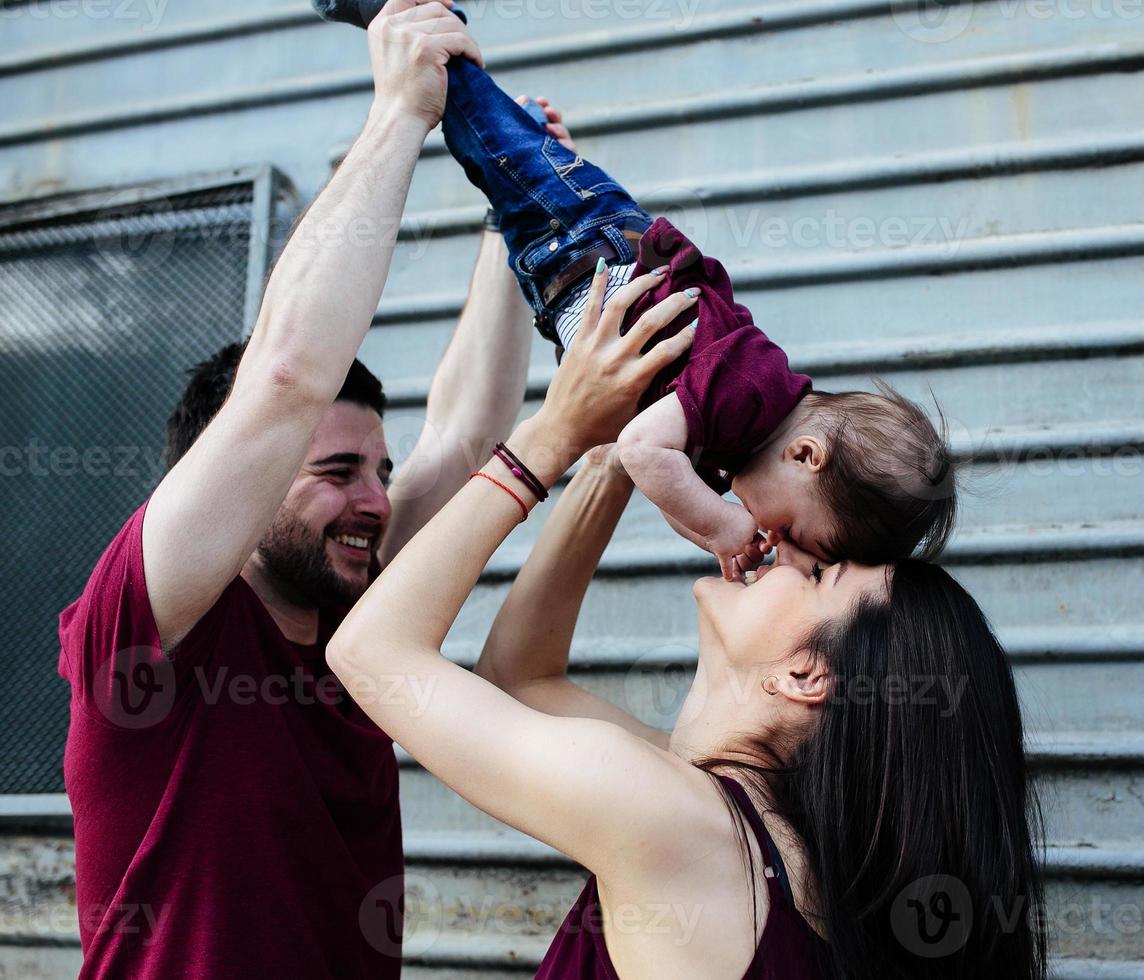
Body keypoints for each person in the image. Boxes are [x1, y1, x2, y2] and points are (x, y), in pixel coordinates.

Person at [53, 4, 645, 976]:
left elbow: (463, 435)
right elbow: (286, 379)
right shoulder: (141, 628)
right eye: (336, 472)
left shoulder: (353, 618)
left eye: (377, 467)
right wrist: (398, 113)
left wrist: (514, 205)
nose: (375, 498)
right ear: (236, 488)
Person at [324, 275, 1047, 978]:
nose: (783, 551)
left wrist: (550, 437)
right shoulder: (782, 855)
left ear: (806, 676)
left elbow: (370, 654)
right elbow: (521, 678)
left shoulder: (682, 824)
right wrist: (619, 449)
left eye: (821, 573)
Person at [314, 0, 957, 579]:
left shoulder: (742, 432)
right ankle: (407, 15)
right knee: (480, 131)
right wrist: (723, 526)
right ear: (808, 455)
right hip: (592, 241)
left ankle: (516, 111)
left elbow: (657, 473)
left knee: (497, 159)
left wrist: (715, 538)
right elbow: (641, 453)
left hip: (568, 268)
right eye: (789, 531)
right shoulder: (748, 396)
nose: (769, 535)